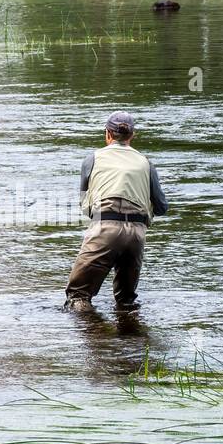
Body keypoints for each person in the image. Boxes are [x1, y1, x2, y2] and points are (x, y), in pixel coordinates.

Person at [64, 111, 168, 312]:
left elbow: (85, 204)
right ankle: (130, 341)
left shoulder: (92, 159)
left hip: (104, 227)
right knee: (126, 300)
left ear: (107, 134)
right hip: (137, 234)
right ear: (132, 135)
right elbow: (162, 207)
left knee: (78, 296)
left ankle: (94, 339)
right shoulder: (146, 163)